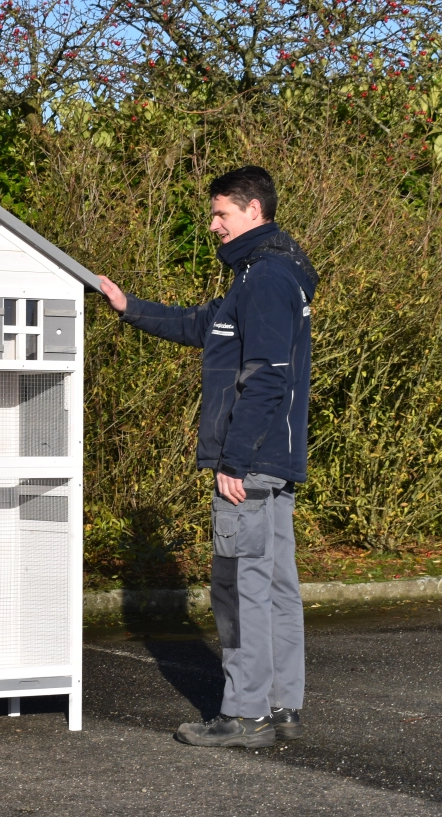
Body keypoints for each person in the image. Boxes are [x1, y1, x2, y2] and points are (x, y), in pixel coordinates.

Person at [97, 165, 318, 749]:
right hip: (275, 460)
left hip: (251, 462)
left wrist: (233, 460)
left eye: (221, 213)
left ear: (253, 210)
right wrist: (129, 305)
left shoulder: (265, 278)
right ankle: (280, 706)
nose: (213, 225)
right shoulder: (266, 275)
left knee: (239, 586)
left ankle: (245, 715)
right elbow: (205, 325)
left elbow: (266, 376)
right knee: (275, 584)